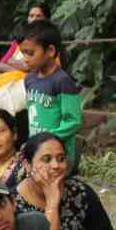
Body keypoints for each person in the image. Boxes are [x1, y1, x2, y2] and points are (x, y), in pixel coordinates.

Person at [17, 20, 82, 165]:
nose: (25, 59)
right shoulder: (29, 79)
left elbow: (73, 121)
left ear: (50, 51)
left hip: (58, 156)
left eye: (30, 53)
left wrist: (47, 141)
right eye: (23, 53)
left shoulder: (62, 81)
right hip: (37, 151)